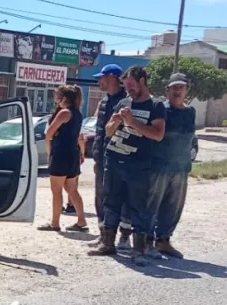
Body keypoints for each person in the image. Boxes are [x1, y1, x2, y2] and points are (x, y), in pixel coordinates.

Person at [89, 66, 165, 266]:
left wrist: (132, 123)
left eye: (131, 85)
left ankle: (138, 250)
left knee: (139, 208)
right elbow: (107, 131)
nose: (128, 89)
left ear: (142, 82)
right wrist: (115, 122)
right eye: (126, 85)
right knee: (110, 203)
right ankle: (107, 243)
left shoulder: (156, 106)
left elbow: (158, 134)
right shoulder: (123, 103)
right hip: (114, 161)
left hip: (139, 166)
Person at [148, 72, 195, 259]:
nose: (178, 91)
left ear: (186, 90)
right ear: (167, 90)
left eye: (181, 87)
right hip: (160, 166)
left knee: (174, 207)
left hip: (181, 168)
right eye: (174, 87)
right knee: (153, 206)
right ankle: (147, 241)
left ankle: (164, 241)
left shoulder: (190, 111)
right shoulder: (161, 110)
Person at [89, 64, 133, 248]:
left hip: (120, 158)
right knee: (101, 197)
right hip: (102, 157)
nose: (100, 81)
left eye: (103, 77)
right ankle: (103, 235)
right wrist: (96, 157)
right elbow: (99, 131)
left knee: (121, 198)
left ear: (114, 78)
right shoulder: (104, 102)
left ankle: (124, 236)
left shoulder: (127, 102)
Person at [37, 85, 88, 233]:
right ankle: (81, 220)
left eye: (57, 96)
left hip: (60, 154)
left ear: (64, 98)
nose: (56, 100)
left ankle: (55, 223)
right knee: (72, 190)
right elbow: (79, 137)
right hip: (73, 153)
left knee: (57, 190)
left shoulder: (64, 113)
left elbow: (49, 134)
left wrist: (49, 153)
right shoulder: (77, 113)